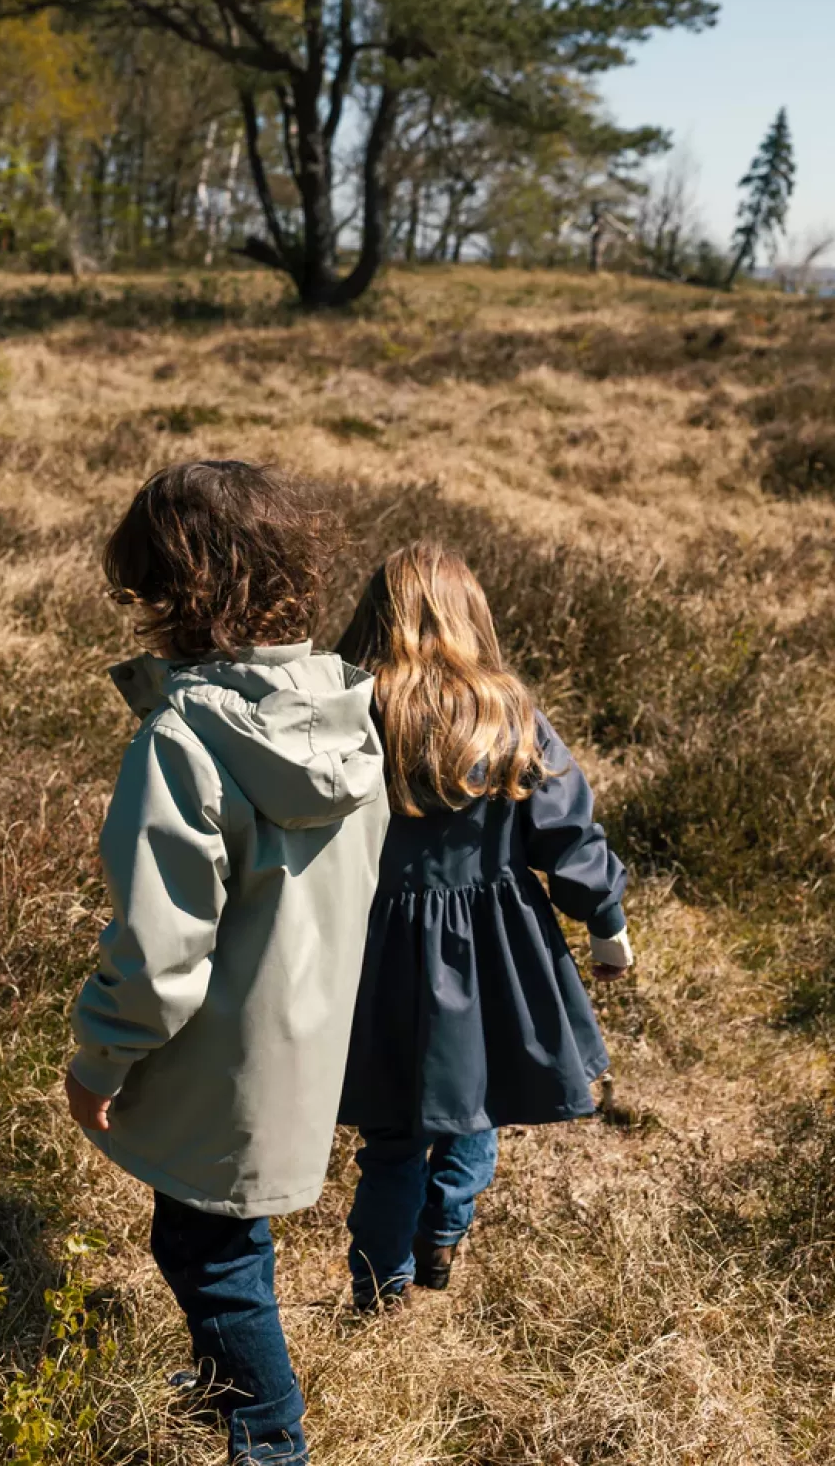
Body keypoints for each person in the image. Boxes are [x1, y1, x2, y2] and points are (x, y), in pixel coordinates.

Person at [64, 460, 389, 1464]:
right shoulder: (344, 708)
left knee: (209, 1254)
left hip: (220, 1054)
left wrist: (98, 1060)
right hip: (307, 1036)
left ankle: (269, 1435)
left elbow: (163, 952)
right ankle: (221, 1386)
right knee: (224, 1238)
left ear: (174, 591)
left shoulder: (185, 738)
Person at [335, 541, 633, 1311]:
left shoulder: (348, 711)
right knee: (476, 1105)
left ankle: (379, 1290)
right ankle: (442, 1232)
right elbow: (567, 838)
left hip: (374, 951)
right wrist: (606, 922)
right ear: (475, 618)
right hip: (492, 948)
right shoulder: (509, 713)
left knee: (391, 1135)